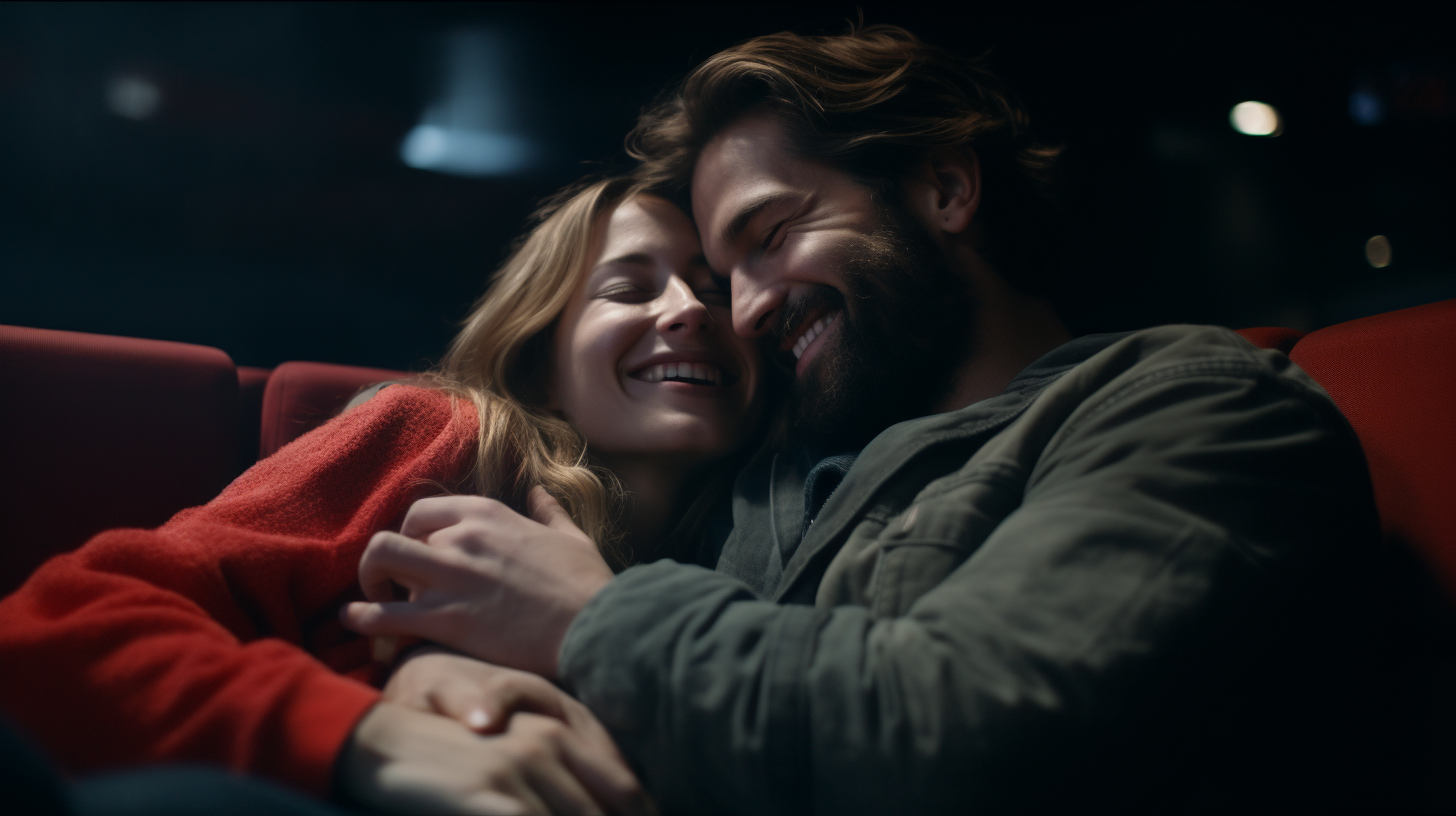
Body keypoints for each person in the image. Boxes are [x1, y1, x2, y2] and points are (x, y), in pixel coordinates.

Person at [340, 25, 1386, 813]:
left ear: (942, 187)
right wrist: (447, 686)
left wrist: (589, 619)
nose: (740, 309)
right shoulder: (759, 469)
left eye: (771, 233)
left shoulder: (1192, 406)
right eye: (724, 270)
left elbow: (960, 734)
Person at [0, 176, 765, 816]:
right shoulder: (451, 436)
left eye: (716, 290)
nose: (690, 309)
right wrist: (362, 732)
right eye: (628, 287)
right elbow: (60, 627)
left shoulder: (766, 548)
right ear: (542, 362)